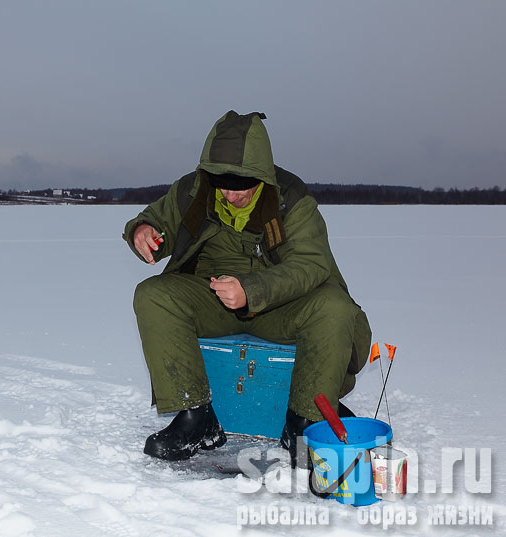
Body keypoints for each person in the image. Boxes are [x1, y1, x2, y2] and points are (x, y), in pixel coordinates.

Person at [123, 110, 371, 466]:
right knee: (152, 295)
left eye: (240, 184)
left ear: (262, 175)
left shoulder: (291, 199)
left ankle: (303, 422)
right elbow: (155, 218)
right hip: (210, 300)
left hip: (279, 308)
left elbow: (311, 264)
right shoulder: (193, 190)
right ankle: (196, 417)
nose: (229, 192)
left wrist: (251, 290)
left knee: (333, 307)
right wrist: (142, 230)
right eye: (221, 181)